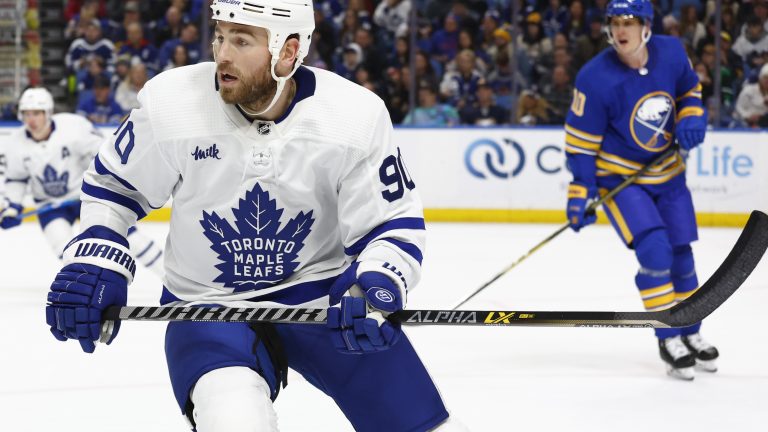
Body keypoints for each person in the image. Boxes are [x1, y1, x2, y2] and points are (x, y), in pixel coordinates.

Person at [44, 1, 466, 431]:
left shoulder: (353, 116)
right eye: (220, 37)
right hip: (208, 305)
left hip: (326, 303)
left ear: (288, 51)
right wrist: (97, 255)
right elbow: (115, 187)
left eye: (242, 41)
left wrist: (377, 281)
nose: (222, 54)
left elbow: (390, 222)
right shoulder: (172, 103)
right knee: (234, 419)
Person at [563, 0, 718, 381]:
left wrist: (693, 116)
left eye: (629, 22)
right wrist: (580, 191)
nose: (621, 30)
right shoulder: (594, 77)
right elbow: (580, 145)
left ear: (646, 27)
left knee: (682, 256)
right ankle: (668, 336)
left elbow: (689, 90)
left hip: (669, 174)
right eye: (615, 22)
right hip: (622, 180)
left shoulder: (672, 52)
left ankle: (691, 330)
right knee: (655, 250)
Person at [0, 87, 164, 276]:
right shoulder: (15, 144)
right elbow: (17, 179)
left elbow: (103, 154)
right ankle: (91, 284)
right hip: (49, 206)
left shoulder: (73, 127)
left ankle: (168, 276)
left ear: (49, 112)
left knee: (130, 238)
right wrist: (12, 207)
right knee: (66, 250)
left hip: (87, 196)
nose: (31, 120)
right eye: (27, 114)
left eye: (37, 113)